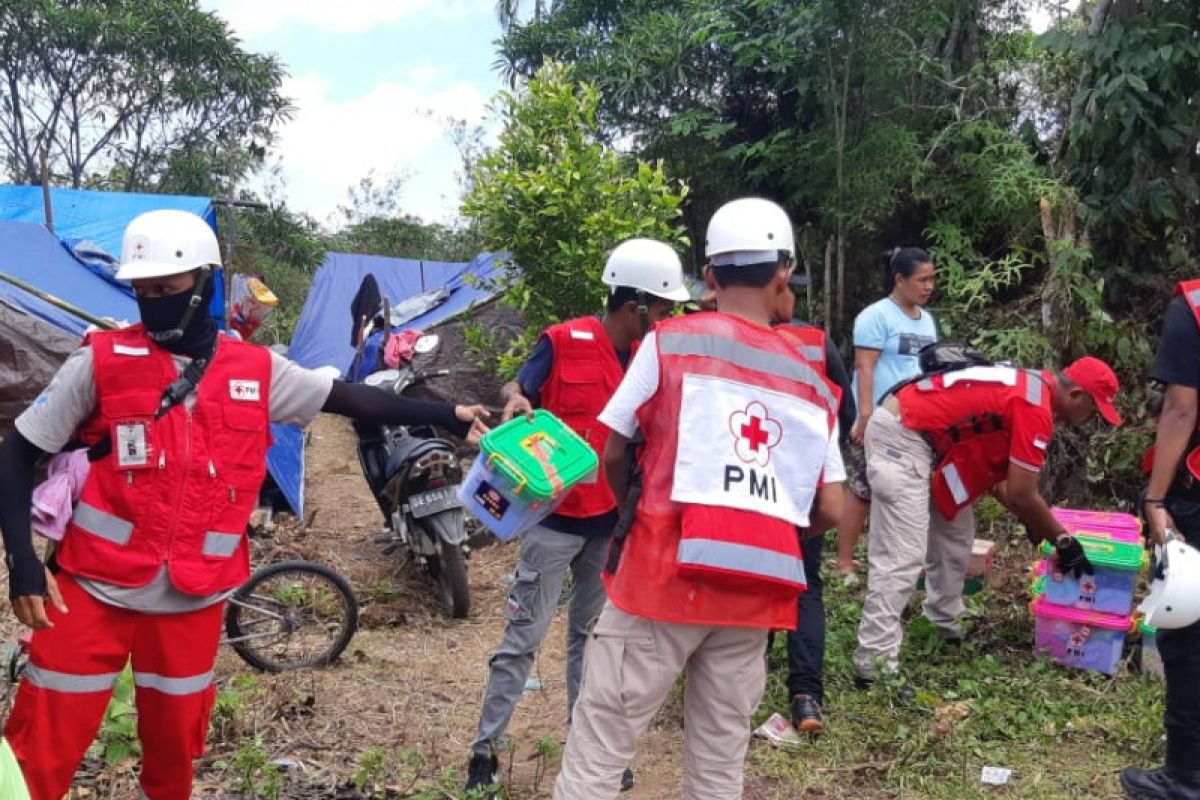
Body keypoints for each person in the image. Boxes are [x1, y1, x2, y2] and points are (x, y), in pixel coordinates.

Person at [0, 210, 489, 800]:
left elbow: (351, 398)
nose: (153, 303)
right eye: (144, 291)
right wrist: (22, 564)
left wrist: (448, 415)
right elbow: (17, 451)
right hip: (89, 589)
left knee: (173, 761)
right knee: (36, 758)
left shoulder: (257, 372)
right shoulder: (99, 361)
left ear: (205, 282)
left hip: (192, 596)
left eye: (168, 289)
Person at [553, 198, 845, 799]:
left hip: (658, 579)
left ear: (708, 278)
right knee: (718, 765)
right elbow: (832, 509)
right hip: (753, 595)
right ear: (783, 273)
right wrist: (769, 532)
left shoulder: (667, 343)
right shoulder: (813, 381)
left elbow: (612, 448)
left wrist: (633, 519)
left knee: (600, 750)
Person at [463, 239, 688, 793]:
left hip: (609, 525)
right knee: (523, 636)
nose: (666, 320)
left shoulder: (651, 355)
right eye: (661, 309)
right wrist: (516, 398)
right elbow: (519, 383)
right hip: (553, 521)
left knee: (593, 642)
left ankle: (586, 753)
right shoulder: (563, 340)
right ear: (633, 304)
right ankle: (484, 752)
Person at [852, 354, 1121, 683]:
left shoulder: (1032, 387)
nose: (1088, 418)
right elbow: (1022, 492)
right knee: (901, 555)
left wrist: (1035, 522)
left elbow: (1000, 482)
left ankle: (943, 625)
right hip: (904, 435)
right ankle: (875, 665)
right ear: (1076, 395)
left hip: (932, 446)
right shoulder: (1033, 404)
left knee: (956, 534)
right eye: (1092, 410)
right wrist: (1062, 540)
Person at [1120, 280, 1200, 800]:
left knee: (1187, 629)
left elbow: (1181, 407)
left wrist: (1155, 499)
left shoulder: (1193, 308)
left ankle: (1187, 775)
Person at [771, 282, 855, 733]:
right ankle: (805, 697)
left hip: (747, 480)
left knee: (754, 578)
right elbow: (846, 410)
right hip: (804, 484)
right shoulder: (814, 341)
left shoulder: (720, 332)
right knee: (805, 585)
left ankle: (737, 683)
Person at [837, 248, 938, 581]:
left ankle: (902, 559)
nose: (929, 286)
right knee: (863, 489)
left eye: (932, 279)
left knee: (907, 487)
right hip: (876, 415)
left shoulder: (927, 322)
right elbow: (865, 366)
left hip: (912, 420)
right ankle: (845, 563)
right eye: (922, 280)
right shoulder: (875, 316)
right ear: (899, 279)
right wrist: (864, 417)